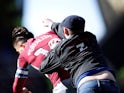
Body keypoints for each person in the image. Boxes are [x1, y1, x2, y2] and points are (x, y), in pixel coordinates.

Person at [40, 15, 120, 93]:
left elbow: (43, 67)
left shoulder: (62, 48)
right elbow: (70, 34)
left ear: (65, 31)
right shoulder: (91, 37)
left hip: (86, 84)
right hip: (109, 80)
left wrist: (54, 48)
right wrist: (52, 24)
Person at [11, 26, 76, 93]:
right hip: (80, 76)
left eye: (18, 51)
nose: (19, 53)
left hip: (63, 85)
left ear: (21, 46)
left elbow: (17, 87)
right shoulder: (50, 33)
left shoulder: (23, 55)